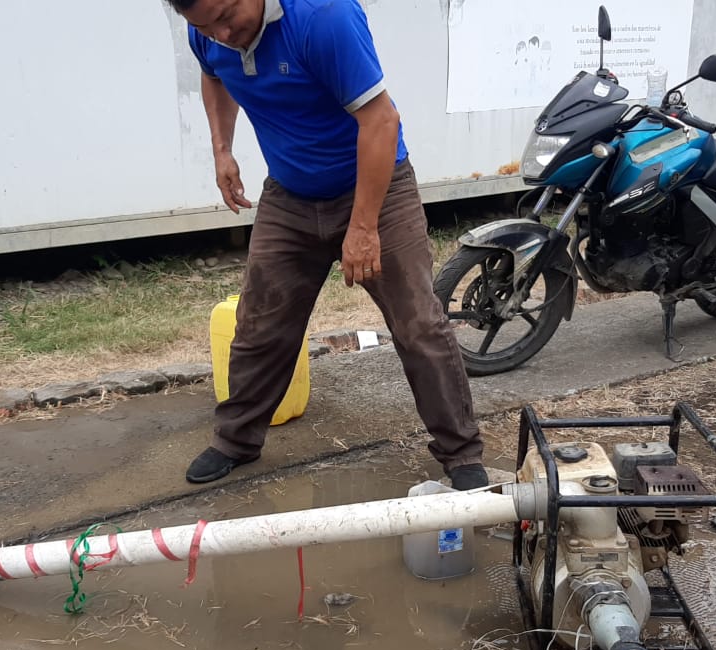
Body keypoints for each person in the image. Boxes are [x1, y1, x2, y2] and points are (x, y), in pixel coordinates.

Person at [166, 0, 488, 490]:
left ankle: (461, 452)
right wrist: (222, 150)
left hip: (376, 189)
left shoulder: (323, 18)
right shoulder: (207, 33)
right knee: (259, 322)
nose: (222, 34)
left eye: (227, 16)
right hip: (290, 193)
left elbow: (381, 121)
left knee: (419, 323)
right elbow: (214, 76)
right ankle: (235, 440)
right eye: (206, 26)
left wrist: (363, 227)